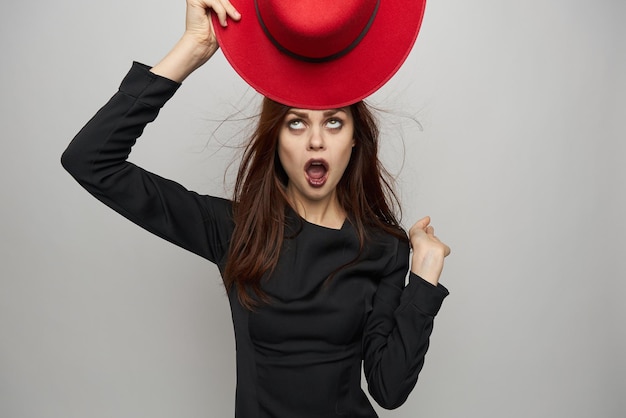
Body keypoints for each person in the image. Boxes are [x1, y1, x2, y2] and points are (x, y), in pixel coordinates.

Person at [61, 0, 451, 416]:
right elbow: (91, 161)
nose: (316, 141)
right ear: (276, 139)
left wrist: (423, 279)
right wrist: (192, 48)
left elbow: (389, 390)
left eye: (334, 122)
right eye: (296, 122)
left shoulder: (384, 247)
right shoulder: (234, 229)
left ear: (355, 139)